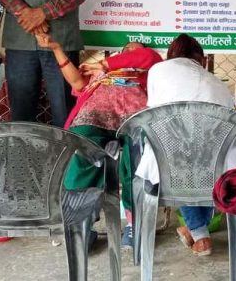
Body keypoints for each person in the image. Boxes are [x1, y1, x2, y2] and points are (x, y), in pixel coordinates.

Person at [37, 34, 162, 250]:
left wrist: (105, 63)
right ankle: (81, 223)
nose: (131, 52)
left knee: (137, 158)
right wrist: (57, 48)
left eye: (136, 49)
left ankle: (135, 222)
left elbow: (148, 56)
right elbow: (76, 82)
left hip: (134, 117)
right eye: (126, 49)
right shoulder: (101, 75)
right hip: (94, 116)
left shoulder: (148, 71)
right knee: (80, 152)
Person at [142, 34, 236, 257]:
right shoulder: (217, 84)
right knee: (199, 158)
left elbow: (153, 108)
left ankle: (200, 234)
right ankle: (195, 229)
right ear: (202, 60)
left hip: (171, 164)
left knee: (176, 152)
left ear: (170, 56)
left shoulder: (158, 70)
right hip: (218, 167)